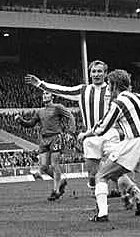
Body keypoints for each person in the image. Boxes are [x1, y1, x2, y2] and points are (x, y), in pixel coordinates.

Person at [25, 60, 122, 197]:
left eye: (100, 71)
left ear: (105, 73)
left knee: (114, 167)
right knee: (92, 174)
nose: (96, 74)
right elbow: (61, 89)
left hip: (110, 134)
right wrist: (41, 84)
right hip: (91, 136)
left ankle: (127, 193)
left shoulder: (112, 91)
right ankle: (99, 196)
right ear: (90, 74)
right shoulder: (82, 90)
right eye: (94, 71)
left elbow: (124, 105)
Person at [78, 69, 140, 222]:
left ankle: (102, 214)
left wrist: (86, 134)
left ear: (115, 86)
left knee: (101, 175)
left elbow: (103, 128)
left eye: (109, 86)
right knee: (114, 173)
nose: (108, 90)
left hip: (134, 144)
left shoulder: (119, 102)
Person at [14, 92, 76, 201]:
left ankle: (56, 191)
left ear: (52, 97)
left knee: (54, 164)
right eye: (43, 94)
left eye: (47, 94)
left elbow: (70, 116)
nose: (44, 95)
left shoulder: (58, 107)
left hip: (55, 137)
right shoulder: (40, 112)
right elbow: (31, 124)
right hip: (44, 139)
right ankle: (60, 182)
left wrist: (71, 132)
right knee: (44, 167)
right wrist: (20, 121)